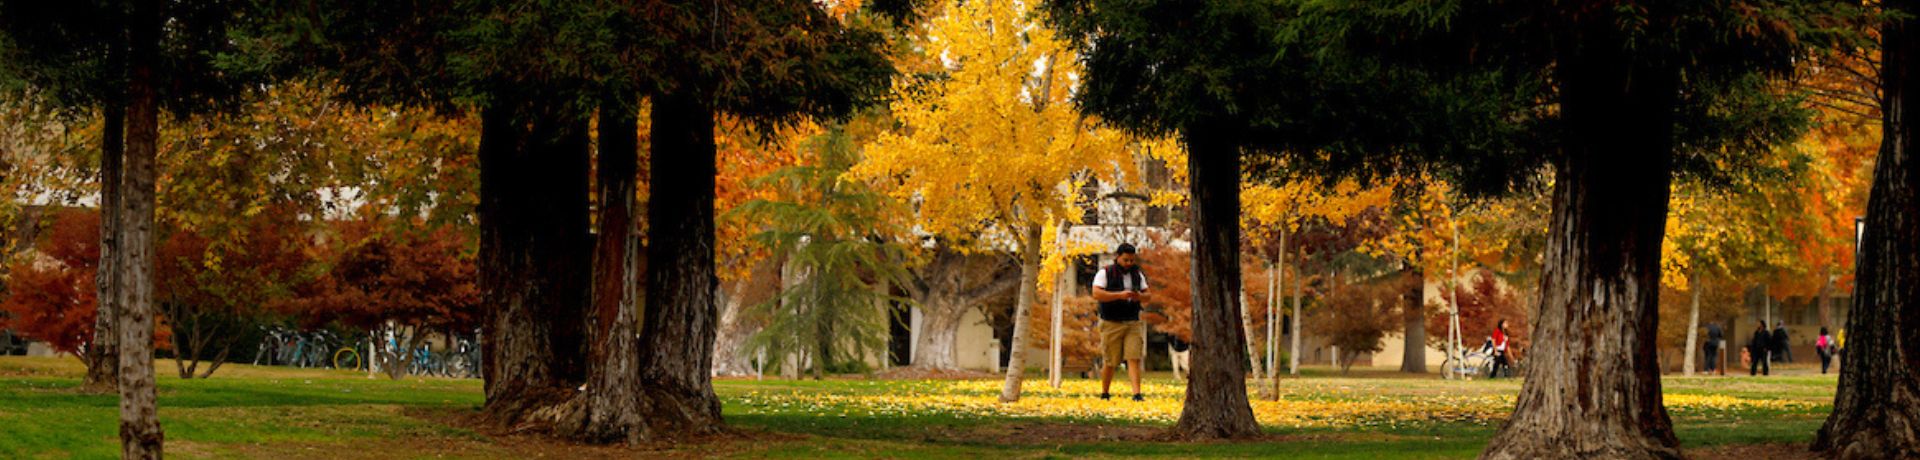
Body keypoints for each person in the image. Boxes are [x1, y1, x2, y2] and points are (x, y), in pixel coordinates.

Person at [1093, 243, 1150, 401]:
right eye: (1126, 260)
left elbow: (1148, 295)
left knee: (1134, 357)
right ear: (1117, 257)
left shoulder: (1137, 274)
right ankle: (1105, 392)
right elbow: (1097, 293)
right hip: (1111, 322)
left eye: (1132, 260)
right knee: (1111, 360)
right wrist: (1120, 295)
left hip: (1132, 321)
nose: (1129, 263)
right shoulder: (1105, 273)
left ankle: (1137, 394)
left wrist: (1139, 297)